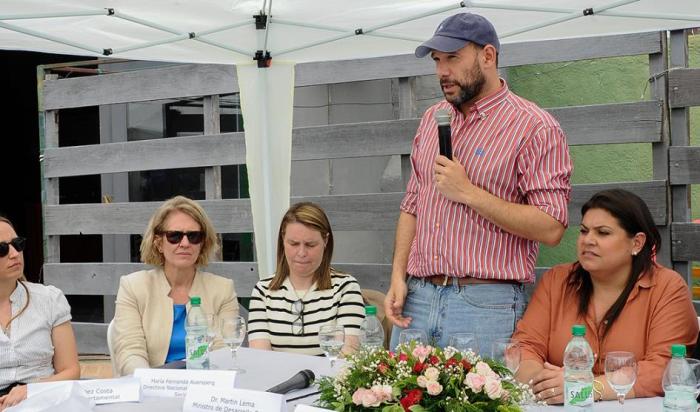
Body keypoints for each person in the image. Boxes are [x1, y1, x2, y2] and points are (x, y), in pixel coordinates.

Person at [384, 12, 572, 351]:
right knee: (397, 403)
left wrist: (469, 193)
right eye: (437, 60)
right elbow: (412, 204)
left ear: (488, 56)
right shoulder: (432, 118)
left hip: (485, 303)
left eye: (453, 58)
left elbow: (551, 226)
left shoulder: (535, 127)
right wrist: (398, 275)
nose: (442, 71)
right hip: (418, 297)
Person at [513, 189, 698, 403]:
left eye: (603, 233)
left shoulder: (668, 288)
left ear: (636, 243)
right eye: (583, 231)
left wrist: (584, 388)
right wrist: (547, 384)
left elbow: (665, 368)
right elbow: (526, 346)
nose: (588, 240)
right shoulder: (557, 281)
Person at [112, 196, 238, 376]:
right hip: (152, 387)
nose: (185, 243)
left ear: (202, 243)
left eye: (193, 236)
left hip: (205, 386)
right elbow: (130, 352)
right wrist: (152, 384)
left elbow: (224, 352)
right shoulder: (133, 286)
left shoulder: (223, 289)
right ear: (158, 243)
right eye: (174, 236)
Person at [248, 202, 365, 356]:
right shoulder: (263, 290)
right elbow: (260, 357)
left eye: (310, 245)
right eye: (294, 243)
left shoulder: (346, 288)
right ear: (283, 241)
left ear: (325, 241)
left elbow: (348, 354)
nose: (302, 253)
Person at [0, 217, 80, 410]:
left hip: (44, 401)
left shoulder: (49, 299)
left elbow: (70, 370)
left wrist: (32, 390)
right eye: (2, 249)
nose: (14, 254)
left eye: (18, 244)